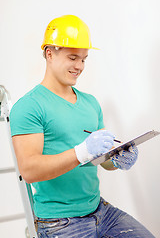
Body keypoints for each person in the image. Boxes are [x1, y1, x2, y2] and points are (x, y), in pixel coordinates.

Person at [10, 15, 155, 237]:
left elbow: (101, 161)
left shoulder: (90, 103)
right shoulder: (29, 106)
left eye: (84, 59)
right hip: (59, 221)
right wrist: (81, 152)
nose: (79, 66)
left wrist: (116, 159)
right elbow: (29, 170)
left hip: (101, 211)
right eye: (72, 58)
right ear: (49, 53)